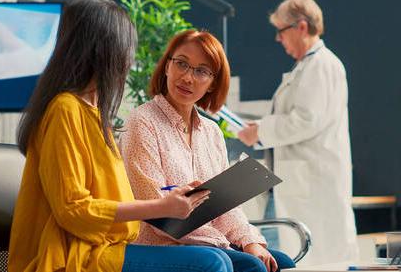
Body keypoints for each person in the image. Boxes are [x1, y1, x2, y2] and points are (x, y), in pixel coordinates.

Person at [8, 0, 240, 272]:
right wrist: (161, 208)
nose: (129, 60)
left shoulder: (96, 114)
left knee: (230, 262)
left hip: (106, 248)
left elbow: (111, 200)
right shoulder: (65, 110)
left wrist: (168, 201)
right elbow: (73, 211)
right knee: (211, 263)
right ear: (104, 51)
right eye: (126, 49)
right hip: (75, 257)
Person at [120, 30, 295, 272]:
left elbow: (225, 205)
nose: (187, 77)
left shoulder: (211, 132)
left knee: (283, 263)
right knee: (251, 265)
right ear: (167, 66)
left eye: (201, 71)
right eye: (181, 64)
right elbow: (156, 210)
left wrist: (250, 241)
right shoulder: (142, 122)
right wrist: (226, 245)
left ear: (213, 83)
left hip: (205, 241)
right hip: (160, 243)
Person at [237, 0, 358, 265]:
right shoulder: (307, 66)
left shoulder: (323, 65)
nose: (279, 39)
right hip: (303, 180)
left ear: (301, 27)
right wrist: (262, 129)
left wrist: (261, 131)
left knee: (323, 259)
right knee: (307, 256)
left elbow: (306, 119)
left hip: (315, 183)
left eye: (281, 31)